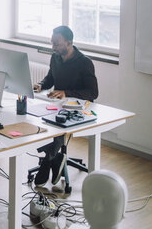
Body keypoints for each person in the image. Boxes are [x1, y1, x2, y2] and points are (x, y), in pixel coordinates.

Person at [32, 25, 99, 187]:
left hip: (77, 109)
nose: (53, 47)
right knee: (36, 119)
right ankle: (55, 157)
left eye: (57, 44)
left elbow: (93, 93)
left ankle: (49, 159)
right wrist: (41, 85)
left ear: (69, 43)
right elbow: (50, 79)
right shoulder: (55, 57)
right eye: (52, 43)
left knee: (57, 123)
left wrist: (66, 93)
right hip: (58, 105)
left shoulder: (84, 63)